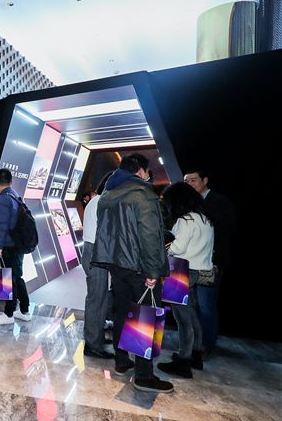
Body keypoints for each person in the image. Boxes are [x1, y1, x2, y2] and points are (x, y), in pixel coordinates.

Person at [91, 153, 172, 393]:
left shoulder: (107, 195)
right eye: (147, 171)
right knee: (145, 317)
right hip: (140, 267)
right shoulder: (142, 195)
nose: (148, 176)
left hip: (117, 266)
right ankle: (144, 376)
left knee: (121, 313)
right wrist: (152, 270)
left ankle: (121, 361)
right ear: (140, 170)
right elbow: (150, 235)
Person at [157, 182, 214, 378]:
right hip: (196, 272)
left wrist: (164, 244)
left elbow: (178, 248)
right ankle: (195, 354)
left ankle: (183, 361)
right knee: (191, 314)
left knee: (182, 319)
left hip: (180, 271)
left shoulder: (185, 220)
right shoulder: (205, 219)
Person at [183, 169, 236, 357]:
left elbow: (229, 227)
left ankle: (206, 345)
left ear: (205, 180)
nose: (190, 184)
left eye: (194, 180)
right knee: (191, 305)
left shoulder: (219, 201)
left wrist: (203, 211)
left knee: (206, 306)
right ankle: (193, 345)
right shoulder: (186, 203)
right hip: (190, 262)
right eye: (186, 181)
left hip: (212, 262)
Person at [0, 168, 32, 325]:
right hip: (18, 245)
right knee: (17, 277)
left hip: (8, 245)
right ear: (11, 181)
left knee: (9, 280)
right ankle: (25, 310)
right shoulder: (15, 196)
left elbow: (1, 225)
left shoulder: (2, 200)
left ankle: (8, 314)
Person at [82, 172, 114, 359]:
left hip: (92, 250)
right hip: (96, 252)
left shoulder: (96, 201)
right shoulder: (102, 202)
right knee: (97, 299)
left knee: (97, 298)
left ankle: (95, 337)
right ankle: (93, 344)